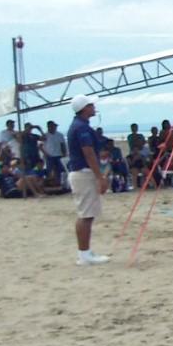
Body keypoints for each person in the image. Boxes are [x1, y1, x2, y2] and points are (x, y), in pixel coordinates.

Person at [65, 95, 110, 265]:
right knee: (86, 214)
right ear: (84, 108)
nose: (94, 107)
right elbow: (88, 152)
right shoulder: (81, 127)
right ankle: (84, 254)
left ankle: (85, 252)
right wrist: (100, 177)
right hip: (83, 173)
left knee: (87, 214)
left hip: (81, 172)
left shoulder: (80, 126)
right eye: (91, 105)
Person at [41, 120, 67, 186]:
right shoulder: (45, 135)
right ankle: (52, 184)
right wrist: (46, 154)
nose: (54, 128)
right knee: (50, 171)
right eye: (52, 126)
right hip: (50, 156)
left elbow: (63, 145)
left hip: (58, 155)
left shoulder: (60, 135)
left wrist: (64, 153)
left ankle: (61, 183)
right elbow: (40, 146)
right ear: (48, 127)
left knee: (61, 170)